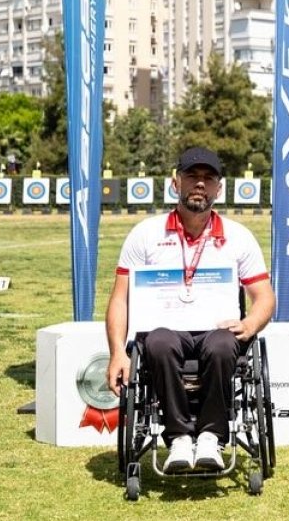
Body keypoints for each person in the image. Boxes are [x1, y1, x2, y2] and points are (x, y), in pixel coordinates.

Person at [105, 147, 276, 472]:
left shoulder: (239, 237)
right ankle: (179, 438)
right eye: (192, 176)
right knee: (158, 342)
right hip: (166, 331)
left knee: (223, 344)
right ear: (176, 183)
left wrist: (251, 323)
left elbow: (264, 296)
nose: (200, 184)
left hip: (216, 331)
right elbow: (119, 299)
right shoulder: (145, 234)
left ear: (218, 188)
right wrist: (116, 353)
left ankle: (211, 437)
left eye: (208, 178)